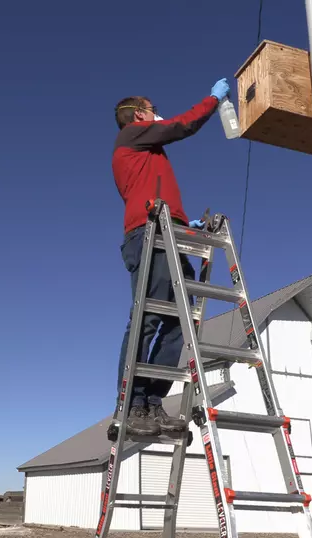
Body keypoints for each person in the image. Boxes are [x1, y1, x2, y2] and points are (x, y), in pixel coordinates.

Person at [111, 78, 231, 437]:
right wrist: (212, 99)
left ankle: (151, 403)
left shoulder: (146, 152)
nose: (157, 114)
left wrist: (183, 222)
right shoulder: (132, 136)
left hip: (170, 230)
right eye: (151, 109)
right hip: (149, 233)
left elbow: (152, 186)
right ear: (138, 115)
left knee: (182, 320)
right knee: (148, 317)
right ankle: (129, 403)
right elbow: (183, 125)